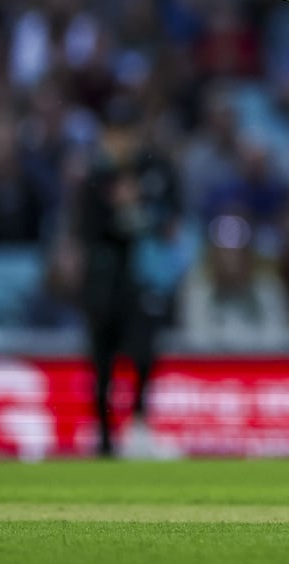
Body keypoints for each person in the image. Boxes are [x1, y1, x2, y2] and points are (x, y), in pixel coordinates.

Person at [74, 95, 183, 458]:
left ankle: (138, 426)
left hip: (143, 281)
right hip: (103, 282)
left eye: (127, 132)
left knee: (144, 355)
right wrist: (120, 211)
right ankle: (103, 437)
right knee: (102, 363)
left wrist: (138, 213)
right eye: (115, 132)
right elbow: (87, 230)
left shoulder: (156, 169)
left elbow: (171, 222)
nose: (121, 140)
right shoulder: (92, 176)